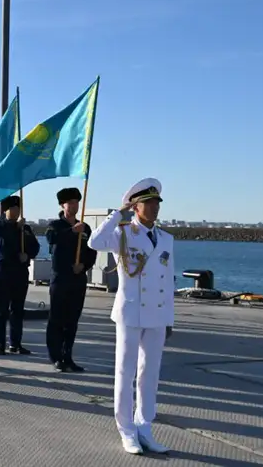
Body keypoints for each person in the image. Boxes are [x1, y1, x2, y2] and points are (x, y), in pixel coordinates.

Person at [89, 178, 174, 455]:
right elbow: (94, 242)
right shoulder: (122, 234)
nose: (154, 208)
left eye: (156, 203)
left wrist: (169, 319)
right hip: (130, 311)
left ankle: (144, 426)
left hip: (157, 315)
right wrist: (117, 214)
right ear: (136, 207)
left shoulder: (166, 239)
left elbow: (168, 282)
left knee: (150, 373)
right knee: (125, 373)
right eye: (148, 203)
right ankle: (126, 430)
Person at [45, 187, 97, 372]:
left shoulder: (85, 228)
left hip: (78, 279)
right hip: (60, 278)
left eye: (76, 202)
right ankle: (56, 356)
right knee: (57, 319)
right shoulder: (55, 225)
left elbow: (92, 251)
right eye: (71, 203)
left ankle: (68, 356)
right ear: (62, 205)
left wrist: (83, 265)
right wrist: (71, 232)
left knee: (72, 321)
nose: (74, 206)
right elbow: (51, 239)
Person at [0, 195, 40, 356]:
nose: (16, 211)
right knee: (2, 310)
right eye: (13, 208)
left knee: (17, 311)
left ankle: (16, 343)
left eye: (18, 208)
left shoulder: (25, 228)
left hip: (20, 272)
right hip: (4, 272)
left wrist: (28, 255)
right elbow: (3, 242)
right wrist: (15, 228)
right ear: (5, 210)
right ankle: (0, 344)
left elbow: (35, 247)